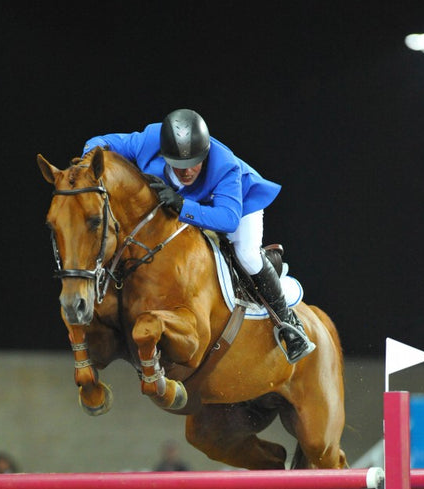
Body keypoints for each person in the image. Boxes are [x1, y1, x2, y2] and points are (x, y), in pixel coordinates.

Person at [82, 108, 315, 364]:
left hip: (238, 204)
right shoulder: (149, 140)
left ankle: (289, 325)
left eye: (194, 162)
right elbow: (98, 144)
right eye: (179, 165)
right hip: (191, 203)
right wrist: (85, 168)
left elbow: (227, 220)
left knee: (246, 255)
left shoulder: (224, 165)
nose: (187, 171)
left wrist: (183, 206)